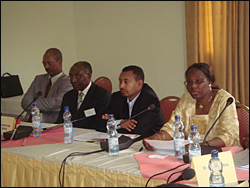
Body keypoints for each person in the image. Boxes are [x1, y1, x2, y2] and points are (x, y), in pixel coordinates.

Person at [143, 62, 241, 150]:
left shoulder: (224, 100)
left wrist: (202, 145)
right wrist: (155, 138)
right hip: (191, 152)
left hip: (221, 153)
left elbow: (230, 136)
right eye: (189, 82)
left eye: (198, 81)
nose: (193, 86)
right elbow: (173, 127)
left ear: (210, 82)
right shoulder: (187, 99)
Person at [98, 65, 165, 138]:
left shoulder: (150, 100)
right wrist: (120, 123)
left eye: (126, 82)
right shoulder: (116, 97)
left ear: (139, 84)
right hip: (122, 141)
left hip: (148, 142)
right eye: (120, 81)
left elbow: (138, 130)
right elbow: (99, 123)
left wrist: (113, 124)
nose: (121, 86)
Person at [21, 48, 73, 123]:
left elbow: (58, 102)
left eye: (49, 63)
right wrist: (46, 108)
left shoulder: (67, 82)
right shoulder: (38, 79)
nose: (46, 67)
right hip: (30, 121)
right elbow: (25, 102)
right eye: (44, 64)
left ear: (59, 62)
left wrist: (34, 105)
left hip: (50, 123)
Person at [55, 61, 111, 129]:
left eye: (78, 76)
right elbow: (60, 121)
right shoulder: (68, 96)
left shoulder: (102, 95)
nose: (73, 80)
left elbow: (100, 122)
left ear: (89, 76)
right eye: (71, 76)